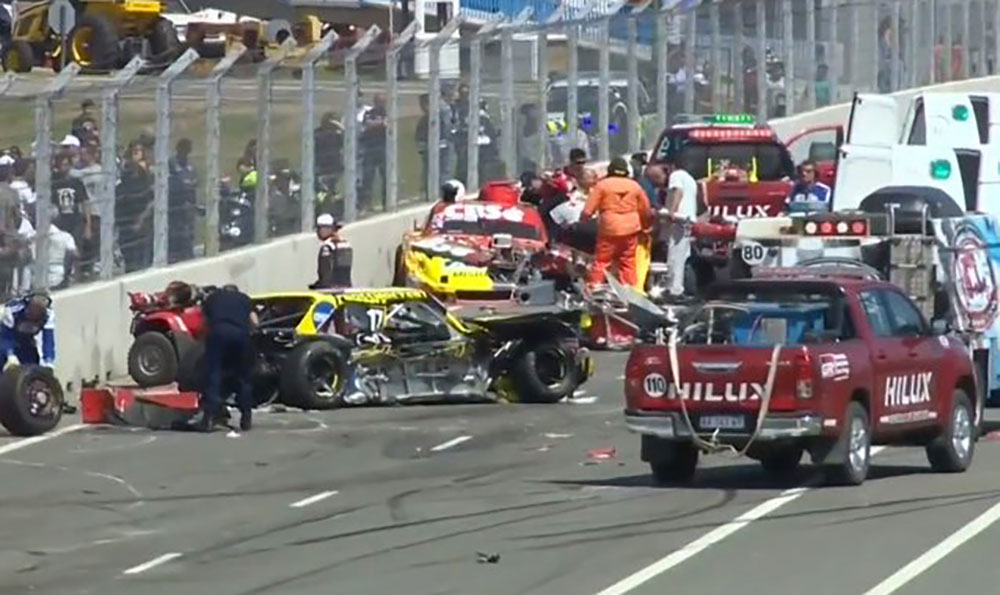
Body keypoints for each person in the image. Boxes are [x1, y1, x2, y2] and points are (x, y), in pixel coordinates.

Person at [581, 157, 652, 287]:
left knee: (602, 261)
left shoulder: (602, 185)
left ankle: (595, 287)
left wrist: (583, 222)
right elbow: (646, 210)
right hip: (631, 229)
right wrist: (646, 227)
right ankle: (629, 289)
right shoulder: (635, 186)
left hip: (609, 229)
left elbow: (587, 211)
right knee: (628, 261)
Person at [196, 284, 257, 432]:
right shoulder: (245, 299)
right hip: (240, 334)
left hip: (218, 332)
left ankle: (209, 417)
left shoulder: (212, 298)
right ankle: (246, 416)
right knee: (243, 376)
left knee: (214, 373)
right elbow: (255, 322)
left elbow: (203, 323)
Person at [663, 156, 699, 299]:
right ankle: (678, 287)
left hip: (680, 218)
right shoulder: (691, 179)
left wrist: (672, 211)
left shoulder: (676, 175)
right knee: (683, 255)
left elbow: (678, 191)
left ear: (673, 166)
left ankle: (673, 289)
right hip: (689, 219)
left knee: (674, 255)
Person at [0, 293, 55, 370]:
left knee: (33, 366)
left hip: (27, 342)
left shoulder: (49, 315)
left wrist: (49, 362)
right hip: (6, 340)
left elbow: (48, 340)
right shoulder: (12, 310)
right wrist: (10, 354)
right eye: (32, 312)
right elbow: (5, 336)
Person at [168, 139, 198, 263]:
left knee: (189, 233)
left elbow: (195, 181)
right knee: (176, 234)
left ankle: (188, 254)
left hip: (189, 205)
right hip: (175, 206)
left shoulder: (191, 166)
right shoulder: (172, 163)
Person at [360, 93, 387, 211]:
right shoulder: (370, 113)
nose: (380, 104)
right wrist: (380, 123)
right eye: (378, 101)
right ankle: (367, 203)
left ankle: (387, 202)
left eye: (382, 101)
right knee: (368, 177)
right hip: (370, 148)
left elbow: (388, 123)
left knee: (386, 176)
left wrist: (378, 123)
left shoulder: (388, 112)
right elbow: (367, 125)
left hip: (384, 148)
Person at [311, 213, 352, 289]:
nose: (318, 232)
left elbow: (325, 272)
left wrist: (320, 285)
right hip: (346, 287)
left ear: (327, 229)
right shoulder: (346, 243)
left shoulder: (327, 246)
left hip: (331, 290)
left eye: (319, 228)